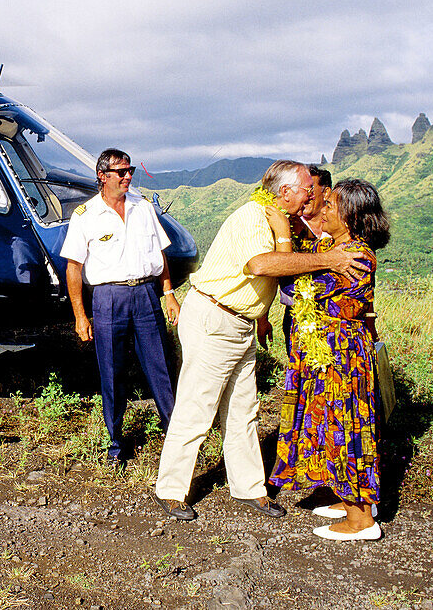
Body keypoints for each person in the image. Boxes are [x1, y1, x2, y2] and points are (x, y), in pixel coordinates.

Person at [152, 160, 368, 521]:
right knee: (198, 407)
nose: (311, 194)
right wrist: (326, 258)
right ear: (284, 192)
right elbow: (261, 266)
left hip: (240, 323)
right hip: (214, 319)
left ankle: (250, 487)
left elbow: (268, 277)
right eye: (305, 188)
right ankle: (171, 489)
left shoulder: (281, 219)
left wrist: (262, 316)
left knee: (243, 409)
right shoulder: (255, 216)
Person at [267, 179, 390, 541]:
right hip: (328, 347)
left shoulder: (355, 257)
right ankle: (351, 499)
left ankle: (362, 520)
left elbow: (295, 288)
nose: (324, 210)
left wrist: (283, 241)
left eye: (333, 207)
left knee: (346, 427)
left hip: (340, 354)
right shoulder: (333, 247)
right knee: (331, 425)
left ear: (351, 216)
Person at [60, 148, 181, 465]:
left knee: (161, 369)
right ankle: (116, 445)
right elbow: (74, 268)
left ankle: (176, 439)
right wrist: (79, 315)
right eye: (122, 171)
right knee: (112, 374)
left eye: (130, 171)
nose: (128, 176)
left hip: (145, 294)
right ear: (103, 176)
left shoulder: (143, 208)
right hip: (108, 298)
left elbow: (161, 254)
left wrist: (168, 293)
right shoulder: (85, 216)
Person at [281, 165, 333, 354]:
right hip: (296, 312)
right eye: (305, 190)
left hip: (332, 314)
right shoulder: (287, 224)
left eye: (312, 190)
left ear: (326, 192)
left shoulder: (341, 228)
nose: (307, 196)